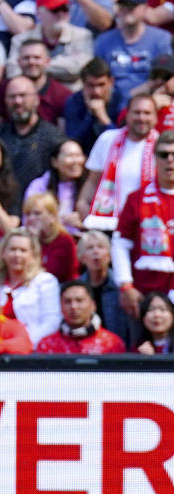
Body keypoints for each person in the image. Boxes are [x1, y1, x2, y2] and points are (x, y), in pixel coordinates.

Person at [112, 129, 174, 319]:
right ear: (155, 158)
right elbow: (120, 244)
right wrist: (126, 285)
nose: (170, 160)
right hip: (142, 296)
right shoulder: (135, 199)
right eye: (164, 154)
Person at [78, 94, 159, 231]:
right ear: (126, 115)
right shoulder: (107, 139)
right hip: (107, 224)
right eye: (137, 112)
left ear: (156, 117)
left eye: (147, 113)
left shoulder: (164, 146)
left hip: (147, 226)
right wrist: (82, 206)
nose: (141, 118)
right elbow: (92, 181)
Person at [94, 0, 173, 100]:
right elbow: (97, 77)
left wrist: (131, 97)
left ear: (145, 8)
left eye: (132, 5)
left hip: (150, 100)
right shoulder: (104, 41)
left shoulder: (161, 39)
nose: (127, 9)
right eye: (123, 5)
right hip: (112, 101)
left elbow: (163, 80)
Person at [7, 0, 93, 91]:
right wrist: (60, 66)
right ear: (38, 13)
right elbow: (13, 71)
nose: (61, 14)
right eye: (55, 10)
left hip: (69, 97)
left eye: (65, 9)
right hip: (31, 95)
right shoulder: (20, 40)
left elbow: (78, 68)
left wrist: (33, 66)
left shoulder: (82, 36)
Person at [0, 227, 61, 346]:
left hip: (31, 350)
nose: (17, 254)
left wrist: (21, 343)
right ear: (3, 253)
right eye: (12, 249)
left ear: (32, 255)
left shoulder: (45, 281)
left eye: (23, 250)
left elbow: (52, 323)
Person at [0, 76, 63, 193]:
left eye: (23, 95)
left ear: (36, 99)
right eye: (12, 96)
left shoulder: (54, 138)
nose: (17, 101)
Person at [0, 40, 73, 125]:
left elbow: (63, 134)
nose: (31, 62)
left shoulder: (62, 95)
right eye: (26, 58)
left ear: (47, 61)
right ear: (18, 62)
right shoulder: (5, 88)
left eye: (37, 57)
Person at [36, 280, 126, 354]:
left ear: (93, 305)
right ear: (60, 307)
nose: (73, 306)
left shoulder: (112, 343)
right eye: (67, 301)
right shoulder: (47, 345)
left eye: (79, 300)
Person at [77, 229, 131, 343]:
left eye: (101, 247)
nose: (95, 252)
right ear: (81, 257)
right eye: (90, 248)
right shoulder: (75, 289)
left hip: (117, 350)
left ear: (109, 255)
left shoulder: (122, 288)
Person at [24, 137, 86, 234]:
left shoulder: (89, 185)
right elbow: (28, 219)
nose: (76, 161)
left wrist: (83, 224)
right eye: (70, 156)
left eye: (78, 155)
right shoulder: (39, 186)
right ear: (54, 162)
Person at [63, 58, 124, 153]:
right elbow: (72, 140)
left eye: (101, 85)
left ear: (111, 82)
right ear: (83, 83)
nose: (96, 91)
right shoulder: (74, 101)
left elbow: (122, 143)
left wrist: (103, 118)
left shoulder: (120, 100)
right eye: (91, 85)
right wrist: (89, 114)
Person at [22, 192, 79, 283]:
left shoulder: (64, 241)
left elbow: (50, 275)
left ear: (52, 216)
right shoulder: (22, 240)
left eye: (37, 213)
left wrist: (34, 241)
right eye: (28, 214)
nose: (31, 218)